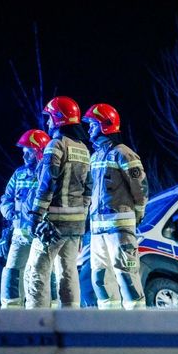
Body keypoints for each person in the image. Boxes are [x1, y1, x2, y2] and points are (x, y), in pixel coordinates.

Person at [24, 96, 92, 308]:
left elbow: (47, 184)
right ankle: (71, 319)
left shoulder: (56, 145)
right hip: (76, 225)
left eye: (50, 117)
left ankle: (38, 320)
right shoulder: (83, 149)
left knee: (36, 272)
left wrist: (36, 215)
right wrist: (82, 216)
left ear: (59, 118)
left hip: (52, 224)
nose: (47, 122)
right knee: (68, 273)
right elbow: (88, 188)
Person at [82, 103, 149, 310]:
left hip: (120, 229)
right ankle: (110, 320)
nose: (89, 129)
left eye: (93, 124)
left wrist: (138, 213)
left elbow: (140, 187)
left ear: (106, 124)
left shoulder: (124, 154)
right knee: (100, 277)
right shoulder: (94, 157)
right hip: (98, 231)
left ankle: (137, 320)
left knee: (126, 275)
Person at [0, 129, 51, 308]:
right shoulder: (19, 174)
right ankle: (11, 312)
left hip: (41, 236)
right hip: (19, 235)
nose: (24, 155)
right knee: (11, 274)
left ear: (39, 152)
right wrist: (9, 213)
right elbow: (6, 198)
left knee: (42, 275)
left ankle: (47, 311)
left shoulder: (49, 175)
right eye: (23, 151)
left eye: (29, 151)